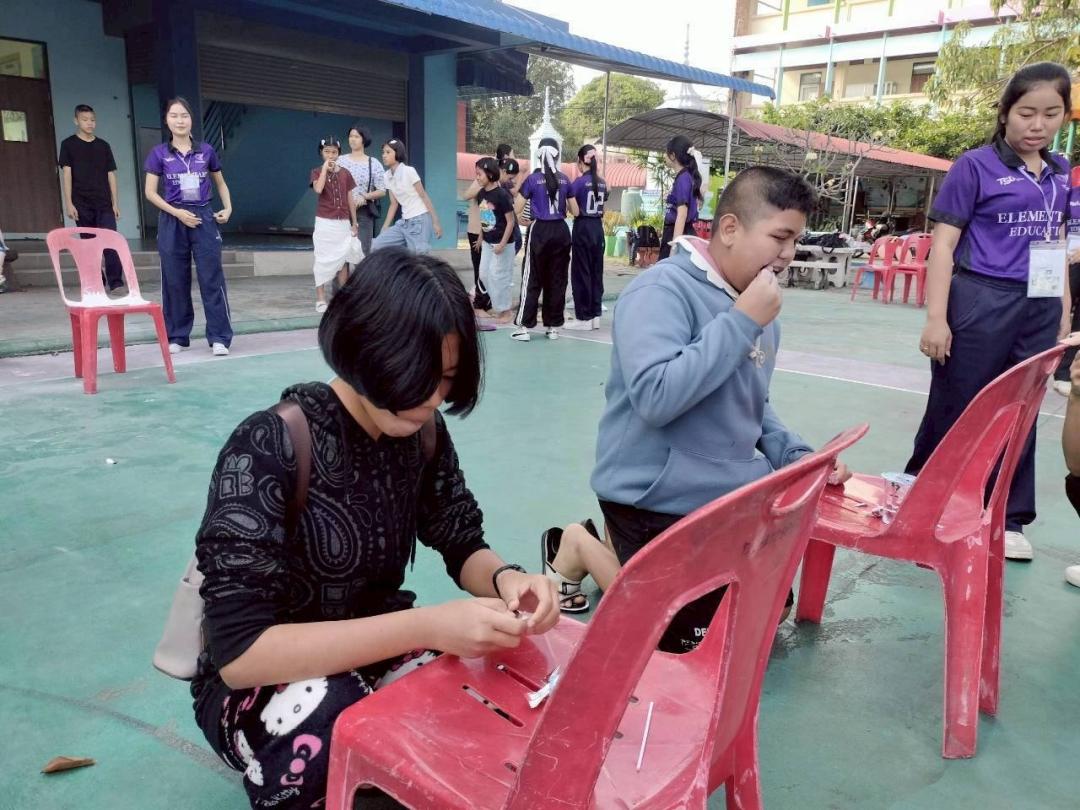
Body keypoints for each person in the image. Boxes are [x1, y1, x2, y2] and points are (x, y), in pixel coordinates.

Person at [191, 248, 560, 809]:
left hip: (378, 647)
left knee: (486, 689)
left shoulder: (422, 433)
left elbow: (460, 539)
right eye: (417, 378)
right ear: (365, 349)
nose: (433, 399)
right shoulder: (268, 445)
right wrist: (427, 627)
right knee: (331, 715)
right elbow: (241, 654)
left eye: (446, 380)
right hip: (264, 684)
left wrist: (508, 580)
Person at [590, 166, 849, 653]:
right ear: (729, 228)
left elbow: (753, 403)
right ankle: (581, 545)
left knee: (769, 614)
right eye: (779, 237)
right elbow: (656, 398)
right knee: (686, 643)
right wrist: (741, 321)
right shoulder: (661, 291)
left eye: (796, 241)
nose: (788, 254)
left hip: (724, 497)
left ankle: (622, 559)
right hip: (652, 497)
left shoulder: (757, 307)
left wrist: (797, 456)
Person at [907, 63, 1072, 562]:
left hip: (1039, 304)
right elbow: (943, 246)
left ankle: (1008, 517)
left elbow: (1057, 245)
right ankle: (926, 504)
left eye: (1051, 114)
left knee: (1022, 409)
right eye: (1026, 113)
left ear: (1064, 116)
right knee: (959, 405)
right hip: (980, 297)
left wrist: (1063, 312)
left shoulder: (1061, 173)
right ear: (1005, 114)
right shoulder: (974, 166)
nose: (1037, 125)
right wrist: (936, 318)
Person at [144, 97, 235, 357]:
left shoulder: (206, 151)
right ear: (167, 120)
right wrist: (177, 213)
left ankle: (219, 337)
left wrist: (228, 207)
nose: (180, 120)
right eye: (174, 116)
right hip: (173, 218)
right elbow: (150, 192)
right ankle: (177, 336)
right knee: (174, 279)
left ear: (191, 119)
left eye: (184, 115)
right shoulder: (159, 153)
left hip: (203, 217)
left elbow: (220, 183)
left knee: (211, 278)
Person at [511, 137, 575, 342]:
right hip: (561, 231)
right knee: (557, 279)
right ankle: (553, 327)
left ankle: (524, 327)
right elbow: (575, 211)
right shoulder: (565, 179)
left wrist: (521, 218)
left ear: (539, 155)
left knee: (532, 277)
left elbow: (517, 208)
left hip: (540, 230)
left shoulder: (533, 179)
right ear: (557, 155)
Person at [58, 104, 123, 290]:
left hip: (104, 203)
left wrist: (115, 203)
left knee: (110, 241)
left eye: (92, 120)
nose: (89, 123)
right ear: (76, 121)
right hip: (81, 203)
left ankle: (116, 282)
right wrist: (69, 203)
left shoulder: (103, 146)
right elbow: (67, 174)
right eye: (85, 120)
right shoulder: (68, 145)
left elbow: (111, 174)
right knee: (89, 244)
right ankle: (97, 281)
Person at [309, 137, 359, 314]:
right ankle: (320, 299)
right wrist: (324, 169)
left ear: (338, 153)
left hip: (343, 223)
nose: (330, 155)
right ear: (321, 153)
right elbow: (318, 189)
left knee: (343, 260)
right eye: (327, 152)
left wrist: (354, 222)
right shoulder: (316, 171)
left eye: (334, 152)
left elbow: (350, 198)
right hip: (324, 222)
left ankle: (342, 299)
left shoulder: (345, 173)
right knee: (321, 258)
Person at [369, 138, 442, 254]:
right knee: (376, 246)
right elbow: (394, 203)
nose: (384, 155)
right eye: (383, 152)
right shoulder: (387, 176)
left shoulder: (409, 171)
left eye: (388, 152)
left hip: (419, 220)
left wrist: (435, 222)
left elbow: (424, 196)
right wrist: (385, 227)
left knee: (418, 256)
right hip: (404, 222)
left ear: (397, 153)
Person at [564, 144, 608, 331]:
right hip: (598, 228)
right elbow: (603, 208)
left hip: (583, 227)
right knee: (596, 272)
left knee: (581, 273)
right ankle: (595, 315)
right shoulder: (602, 182)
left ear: (580, 161)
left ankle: (583, 318)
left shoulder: (578, 183)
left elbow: (571, 206)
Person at [475, 157, 517, 322]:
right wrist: (481, 236)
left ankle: (505, 311)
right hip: (487, 242)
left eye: (480, 174)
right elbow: (485, 217)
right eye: (476, 174)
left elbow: (511, 221)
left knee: (499, 276)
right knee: (484, 274)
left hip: (503, 244)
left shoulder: (502, 195)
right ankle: (500, 307)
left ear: (491, 175)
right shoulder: (481, 194)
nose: (477, 177)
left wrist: (502, 244)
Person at [337, 123, 387, 258]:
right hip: (342, 211)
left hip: (363, 212)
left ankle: (362, 272)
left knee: (363, 250)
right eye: (351, 136)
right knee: (341, 252)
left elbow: (382, 190)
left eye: (356, 136)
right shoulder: (340, 160)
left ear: (364, 139)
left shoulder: (373, 163)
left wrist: (365, 196)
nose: (352, 139)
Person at [1051, 165, 1080, 396]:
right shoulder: (1070, 181)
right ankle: (1048, 364)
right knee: (1058, 313)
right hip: (1066, 261)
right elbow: (1058, 222)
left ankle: (1065, 373)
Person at [659, 135, 703, 260]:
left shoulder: (683, 179)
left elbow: (682, 215)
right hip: (681, 232)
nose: (664, 156)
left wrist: (674, 247)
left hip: (679, 233)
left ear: (673, 156)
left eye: (666, 153)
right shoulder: (686, 176)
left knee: (667, 270)